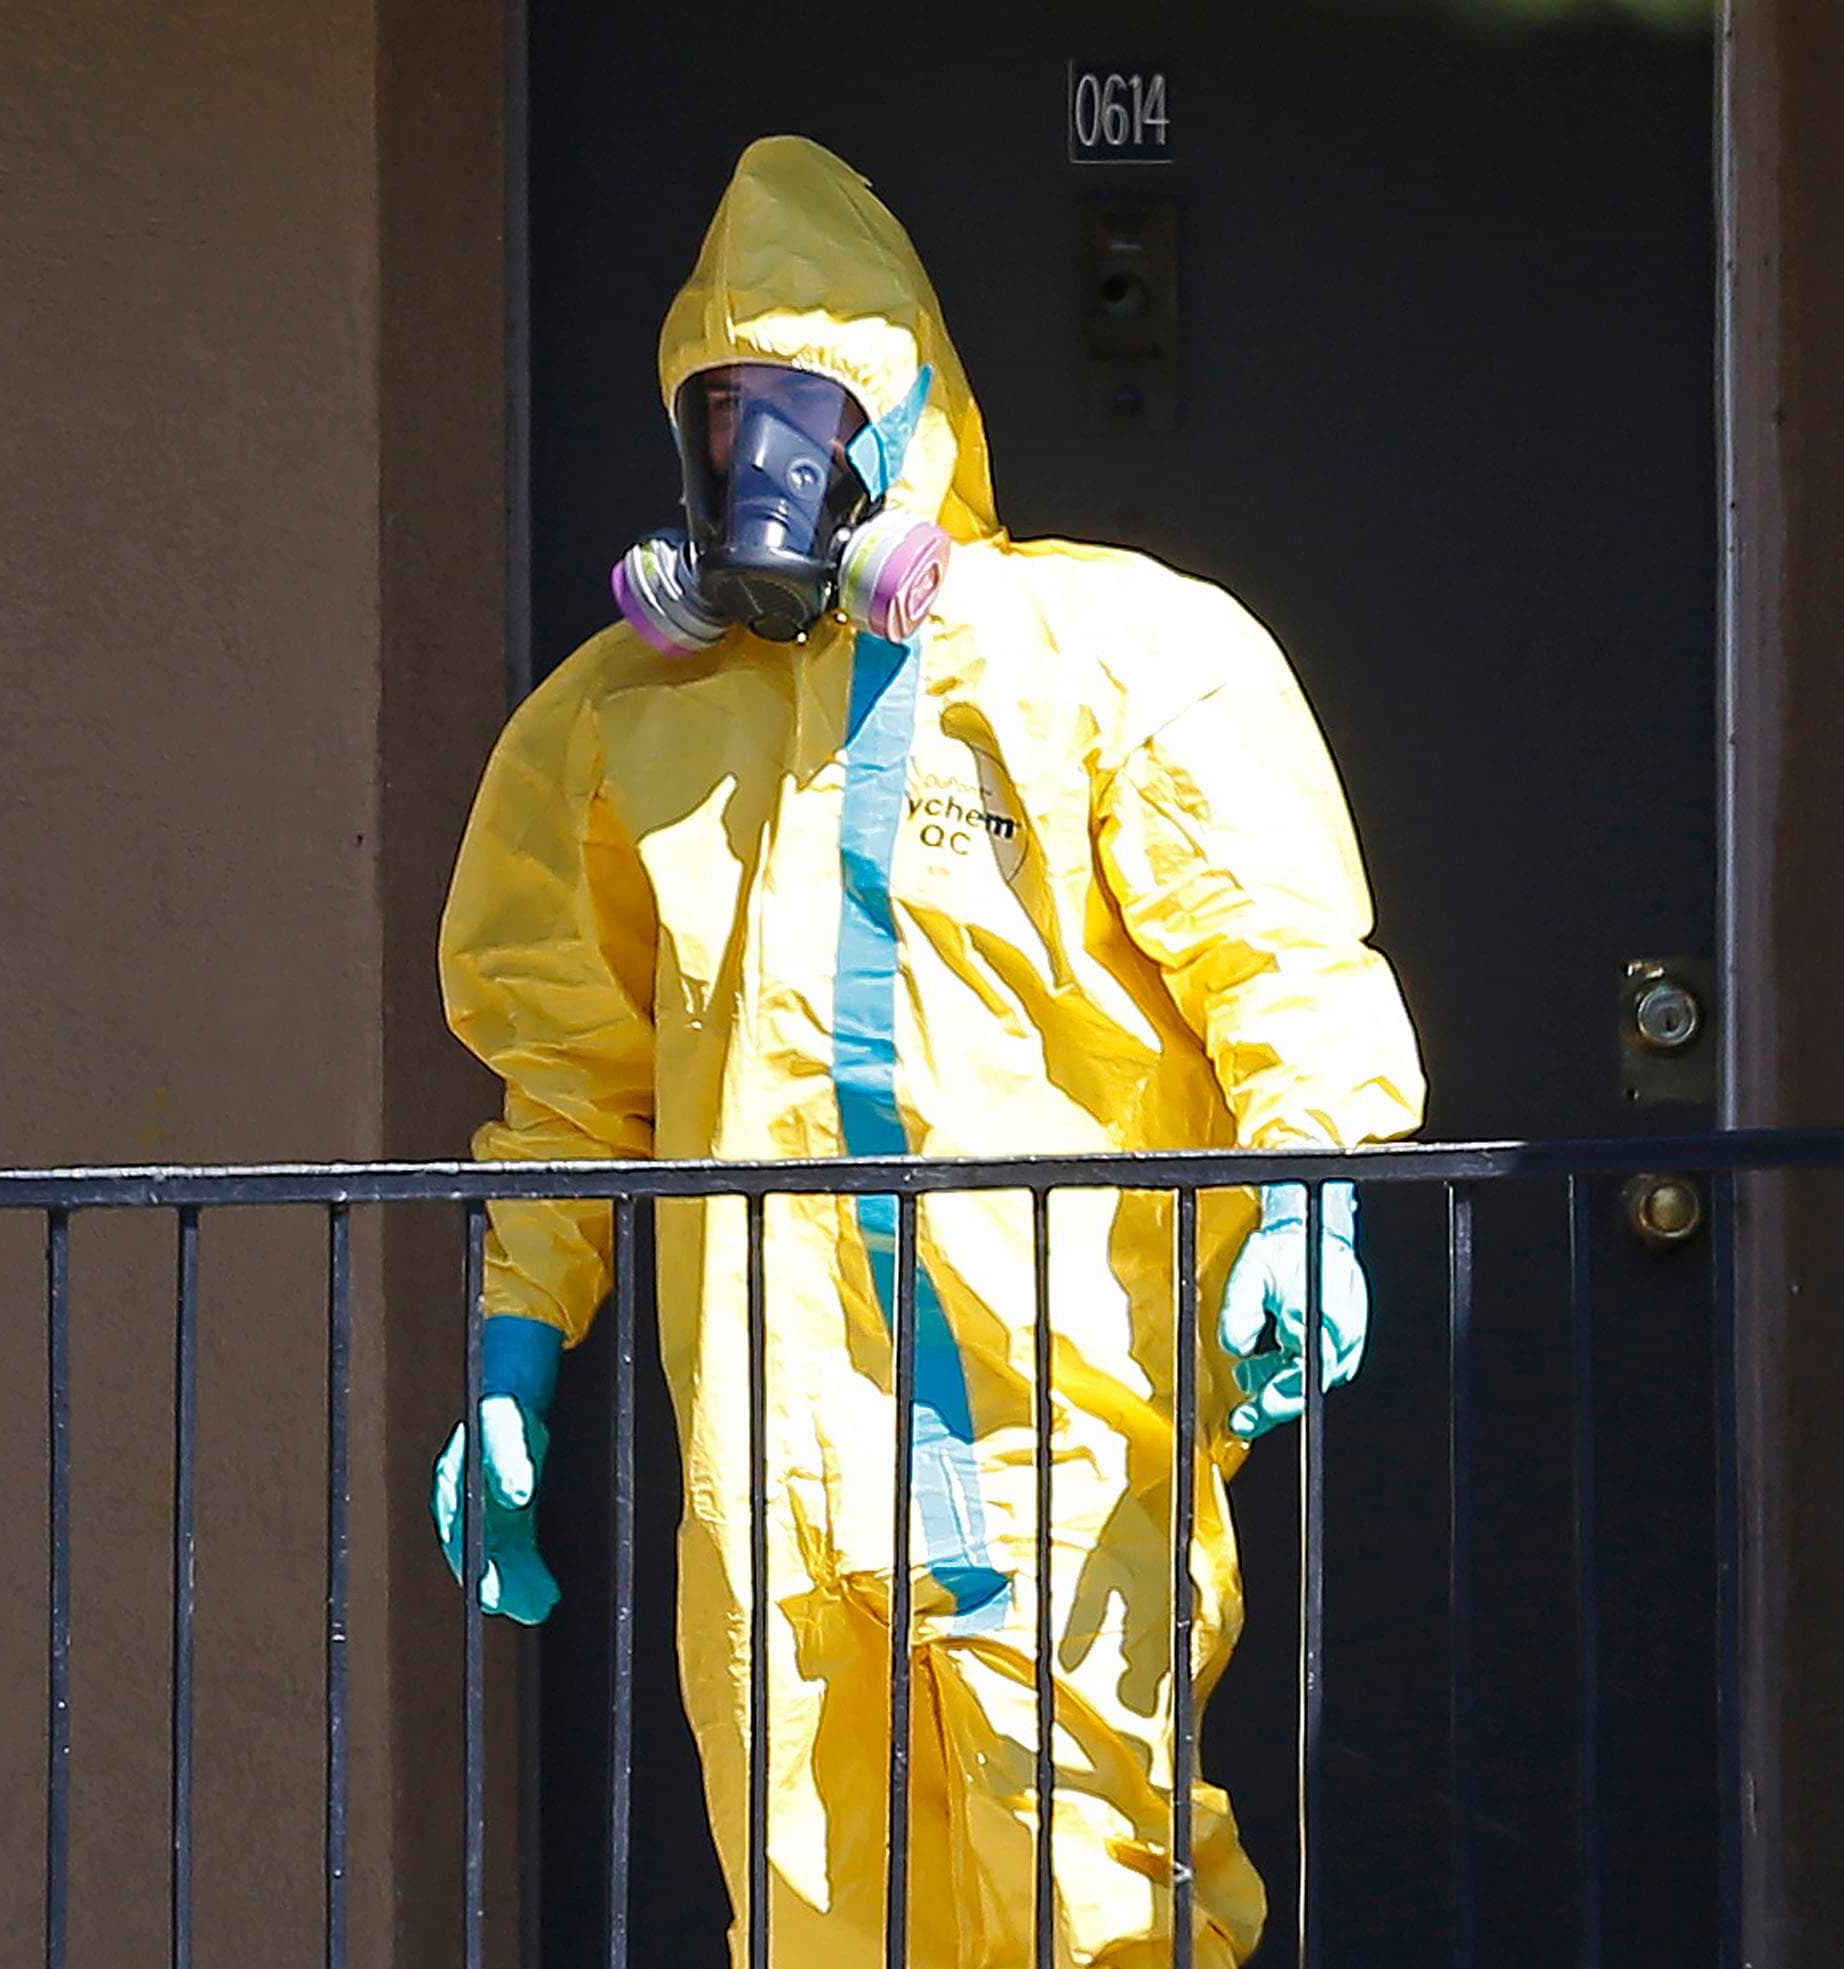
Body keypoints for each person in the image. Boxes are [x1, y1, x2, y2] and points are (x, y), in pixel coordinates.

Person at [432, 134, 1425, 1969]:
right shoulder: (619, 727)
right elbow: (573, 1075)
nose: (763, 467)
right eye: (723, 419)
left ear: (903, 413)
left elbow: (1279, 958)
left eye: (807, 412)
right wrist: (516, 1344)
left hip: (1056, 1417)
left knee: (1097, 1883)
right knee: (809, 1889)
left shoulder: (1115, 659)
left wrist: (1313, 1192)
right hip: (771, 1435)